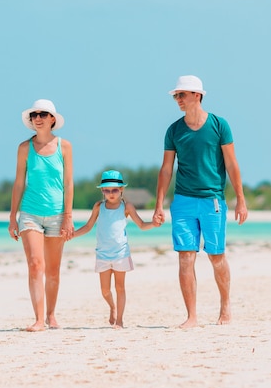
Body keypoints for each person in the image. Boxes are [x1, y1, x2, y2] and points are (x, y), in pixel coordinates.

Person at [152, 75, 248, 329]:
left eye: (181, 95)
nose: (178, 100)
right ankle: (191, 316)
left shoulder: (219, 125)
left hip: (212, 200)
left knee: (216, 257)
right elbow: (165, 169)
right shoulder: (174, 130)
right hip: (182, 201)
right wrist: (159, 204)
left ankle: (225, 306)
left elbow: (231, 164)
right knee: (185, 257)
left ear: (197, 95)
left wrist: (240, 199)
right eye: (176, 96)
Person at [8, 99, 75, 332]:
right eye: (35, 114)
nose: (38, 118)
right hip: (30, 214)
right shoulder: (24, 148)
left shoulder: (64, 146)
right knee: (36, 265)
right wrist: (12, 217)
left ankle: (51, 315)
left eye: (43, 114)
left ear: (52, 119)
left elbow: (68, 183)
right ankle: (38, 319)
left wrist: (68, 216)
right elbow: (18, 183)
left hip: (58, 214)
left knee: (53, 270)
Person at [74, 170, 160, 329]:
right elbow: (88, 226)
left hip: (121, 254)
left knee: (120, 288)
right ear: (102, 191)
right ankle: (112, 307)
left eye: (114, 190)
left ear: (121, 190)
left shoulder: (126, 206)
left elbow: (141, 225)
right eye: (107, 190)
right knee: (105, 290)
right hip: (102, 254)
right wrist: (72, 235)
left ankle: (119, 320)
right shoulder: (99, 207)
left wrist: (154, 224)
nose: (111, 193)